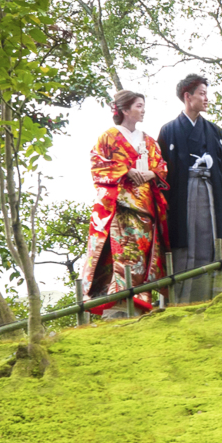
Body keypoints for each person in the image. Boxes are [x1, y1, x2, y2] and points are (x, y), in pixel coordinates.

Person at [81, 90, 169, 319]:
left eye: (143, 105)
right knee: (123, 252)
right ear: (124, 109)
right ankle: (119, 300)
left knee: (143, 253)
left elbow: (161, 167)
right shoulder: (108, 137)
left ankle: (141, 301)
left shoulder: (149, 140)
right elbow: (97, 164)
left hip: (146, 206)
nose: (143, 110)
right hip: (120, 205)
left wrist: (150, 173)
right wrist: (126, 171)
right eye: (139, 105)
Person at [158, 75, 222, 303]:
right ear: (188, 96)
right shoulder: (168, 131)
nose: (207, 98)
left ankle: (211, 295)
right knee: (184, 240)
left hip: (211, 193)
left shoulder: (215, 132)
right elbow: (161, 170)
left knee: (209, 240)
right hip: (182, 196)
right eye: (202, 93)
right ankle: (180, 300)